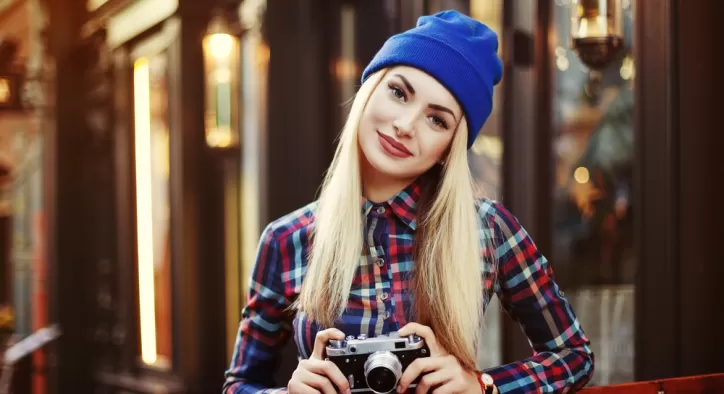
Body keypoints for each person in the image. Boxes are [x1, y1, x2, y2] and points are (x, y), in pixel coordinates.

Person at [223, 10, 594, 394]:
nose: (405, 124)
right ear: (370, 90)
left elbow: (574, 355)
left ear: (449, 148)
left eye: (437, 120)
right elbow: (239, 385)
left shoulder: (487, 228)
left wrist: (483, 385)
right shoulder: (287, 240)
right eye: (399, 93)